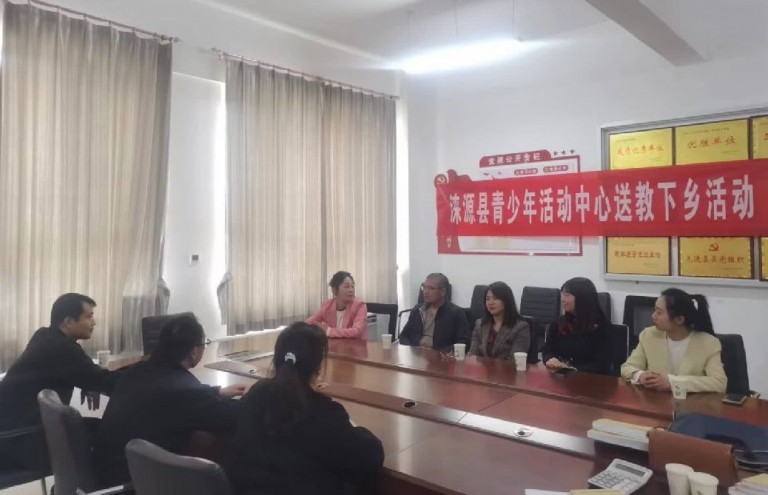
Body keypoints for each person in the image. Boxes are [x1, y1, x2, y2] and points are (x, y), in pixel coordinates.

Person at [226, 322, 383, 495]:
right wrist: (352, 426)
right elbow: (371, 456)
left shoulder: (257, 393)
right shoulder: (326, 413)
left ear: (277, 360)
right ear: (318, 369)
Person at [94, 315, 248, 485]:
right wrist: (257, 394)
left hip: (108, 472)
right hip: (134, 484)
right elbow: (231, 416)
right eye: (204, 343)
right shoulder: (185, 391)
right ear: (194, 352)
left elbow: (170, 394)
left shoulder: (135, 371)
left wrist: (216, 391)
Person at [0, 293, 119, 472]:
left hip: (22, 415)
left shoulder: (44, 335)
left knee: (104, 406)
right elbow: (101, 381)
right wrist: (140, 375)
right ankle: (104, 472)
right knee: (115, 411)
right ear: (68, 322)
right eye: (89, 317)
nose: (94, 323)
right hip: (20, 435)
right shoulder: (62, 348)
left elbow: (84, 380)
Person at [621, 288, 726, 393]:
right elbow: (627, 367)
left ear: (679, 319)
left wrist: (673, 382)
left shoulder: (709, 344)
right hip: (655, 400)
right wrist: (640, 375)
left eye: (659, 312)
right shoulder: (648, 335)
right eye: (654, 310)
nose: (653, 316)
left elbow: (719, 383)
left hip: (691, 402)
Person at [542, 277, 610, 375]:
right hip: (560, 377)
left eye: (566, 295)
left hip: (588, 379)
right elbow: (547, 351)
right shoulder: (558, 324)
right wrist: (550, 360)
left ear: (582, 298)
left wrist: (572, 369)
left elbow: (601, 364)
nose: (562, 300)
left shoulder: (601, 327)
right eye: (562, 295)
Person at [398, 273, 470, 352]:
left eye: (430, 288)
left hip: (440, 356)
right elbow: (403, 336)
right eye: (424, 288)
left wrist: (440, 354)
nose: (425, 292)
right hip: (415, 354)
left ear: (443, 291)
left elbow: (463, 343)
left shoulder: (456, 313)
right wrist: (411, 350)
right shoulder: (418, 310)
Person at [468, 282, 530, 360]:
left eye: (495, 298)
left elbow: (515, 360)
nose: (490, 303)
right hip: (481, 367)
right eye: (487, 299)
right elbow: (473, 355)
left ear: (506, 300)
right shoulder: (480, 324)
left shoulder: (520, 327)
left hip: (507, 368)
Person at [306, 271, 368, 339]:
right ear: (334, 290)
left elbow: (356, 332)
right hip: (334, 344)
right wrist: (318, 327)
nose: (351, 290)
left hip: (355, 344)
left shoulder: (360, 306)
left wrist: (329, 331)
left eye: (352, 286)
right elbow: (308, 323)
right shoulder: (327, 306)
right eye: (347, 286)